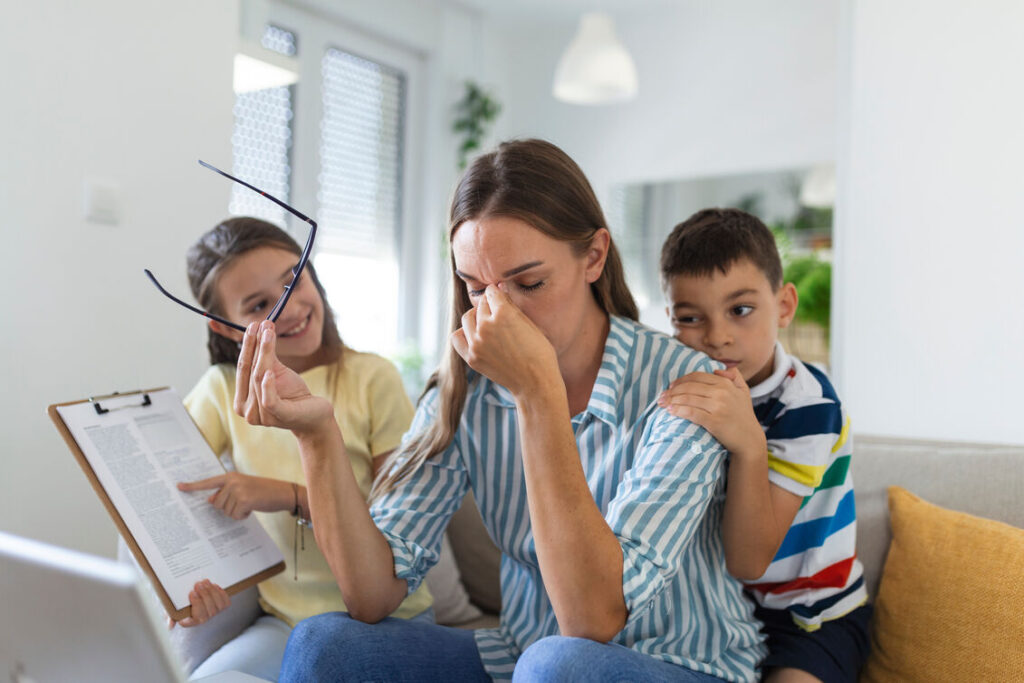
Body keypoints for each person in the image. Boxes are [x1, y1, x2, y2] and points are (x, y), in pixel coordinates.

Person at [233, 139, 766, 682]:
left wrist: (538, 396)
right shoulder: (464, 391)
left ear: (594, 257)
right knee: (325, 644)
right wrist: (317, 435)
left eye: (529, 283)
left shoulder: (688, 387)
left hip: (683, 666)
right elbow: (371, 596)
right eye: (476, 288)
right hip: (524, 660)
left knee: (560, 664)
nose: (498, 315)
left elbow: (591, 620)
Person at [173, 217, 433, 681]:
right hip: (284, 624)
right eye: (258, 305)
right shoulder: (221, 390)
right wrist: (179, 590)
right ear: (228, 329)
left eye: (292, 279)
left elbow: (395, 531)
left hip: (389, 622)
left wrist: (286, 494)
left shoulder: (374, 379)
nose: (288, 307)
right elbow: (166, 489)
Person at [656, 208, 871, 683]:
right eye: (691, 318)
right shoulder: (686, 389)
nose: (717, 337)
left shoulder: (810, 407)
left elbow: (749, 561)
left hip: (814, 617)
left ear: (785, 306)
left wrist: (749, 444)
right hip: (724, 613)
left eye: (741, 310)